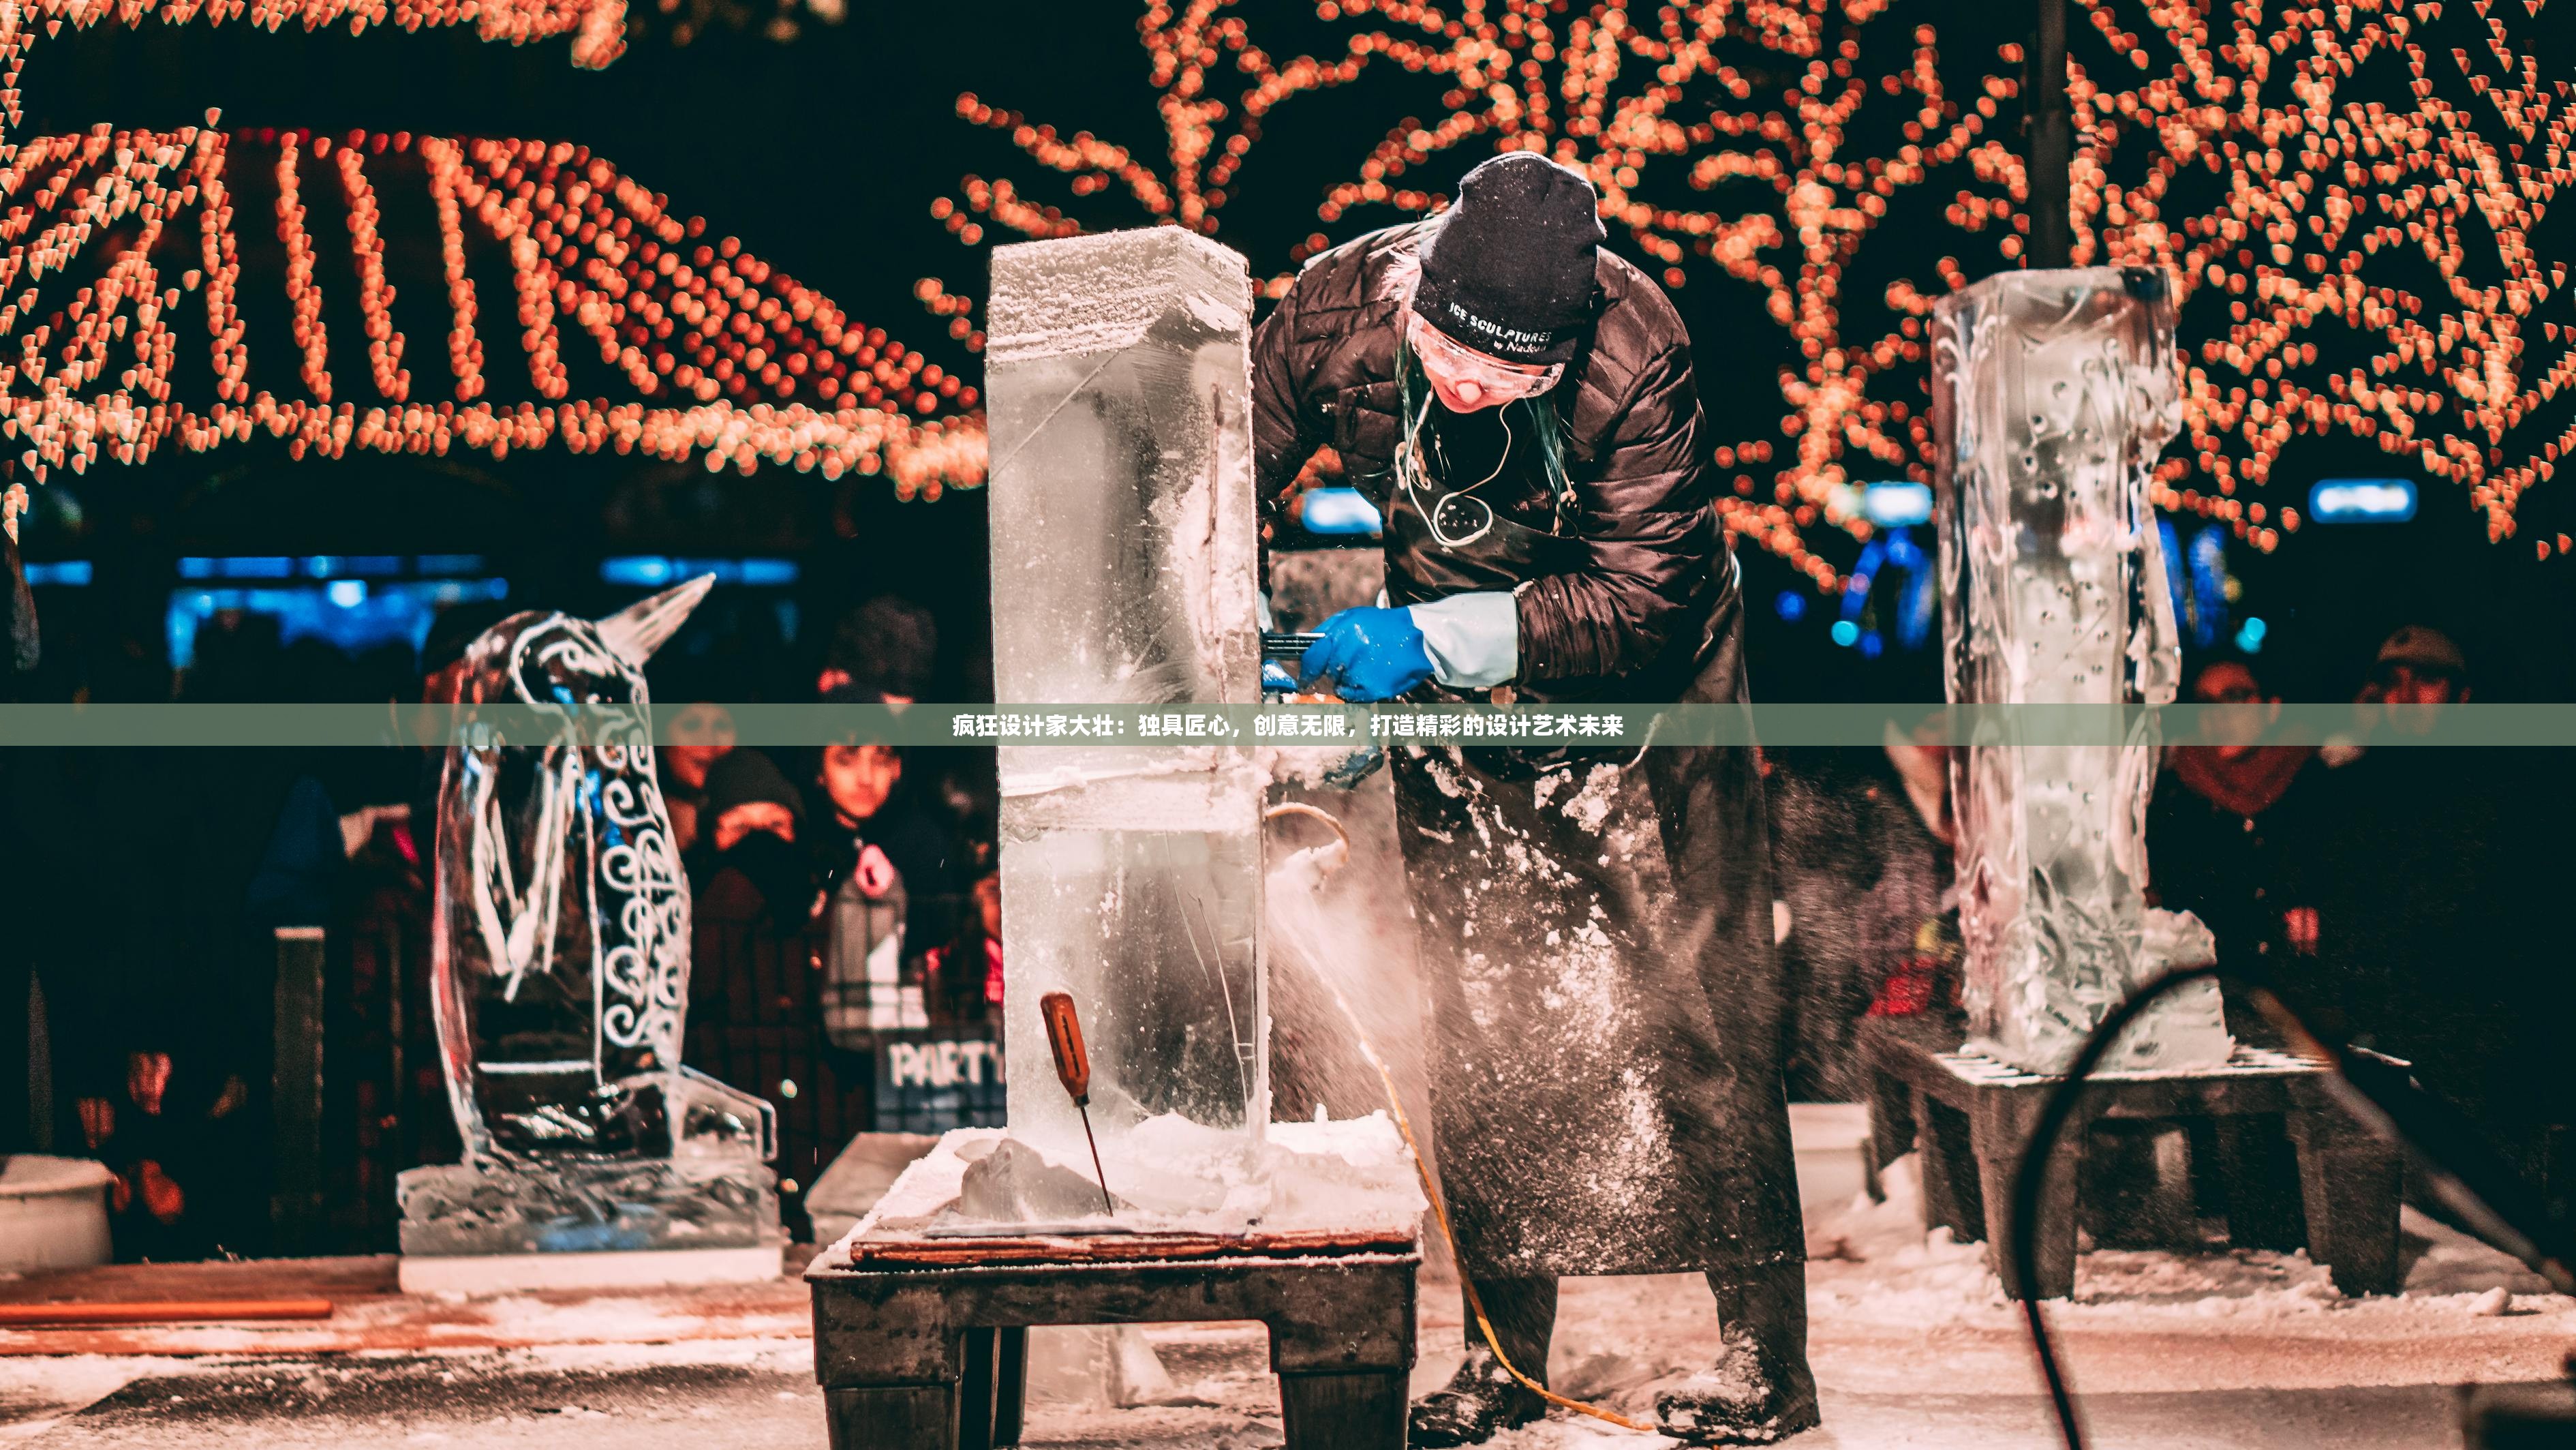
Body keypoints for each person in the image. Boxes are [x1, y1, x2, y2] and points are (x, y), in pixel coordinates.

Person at [1253, 152, 1809, 1445]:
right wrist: (1245, 626)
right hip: (1451, 671)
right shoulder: (1339, 307)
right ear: (1421, 295)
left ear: (1565, 353)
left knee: (1700, 1004)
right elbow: (1215, 465)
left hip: (1649, 681)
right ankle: (1502, 1353)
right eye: (1451, 350)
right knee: (1483, 1002)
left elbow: (1643, 598)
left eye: (1511, 377)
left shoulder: (1638, 347)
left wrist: (1430, 641)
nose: (1467, 384)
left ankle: (1764, 1360)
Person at [2147, 655, 2327, 1029]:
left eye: (2235, 697)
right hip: (2210, 1012)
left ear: (2271, 708)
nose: (2219, 714)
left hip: (2307, 1013)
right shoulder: (2175, 795)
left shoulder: (2315, 784)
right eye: (2205, 704)